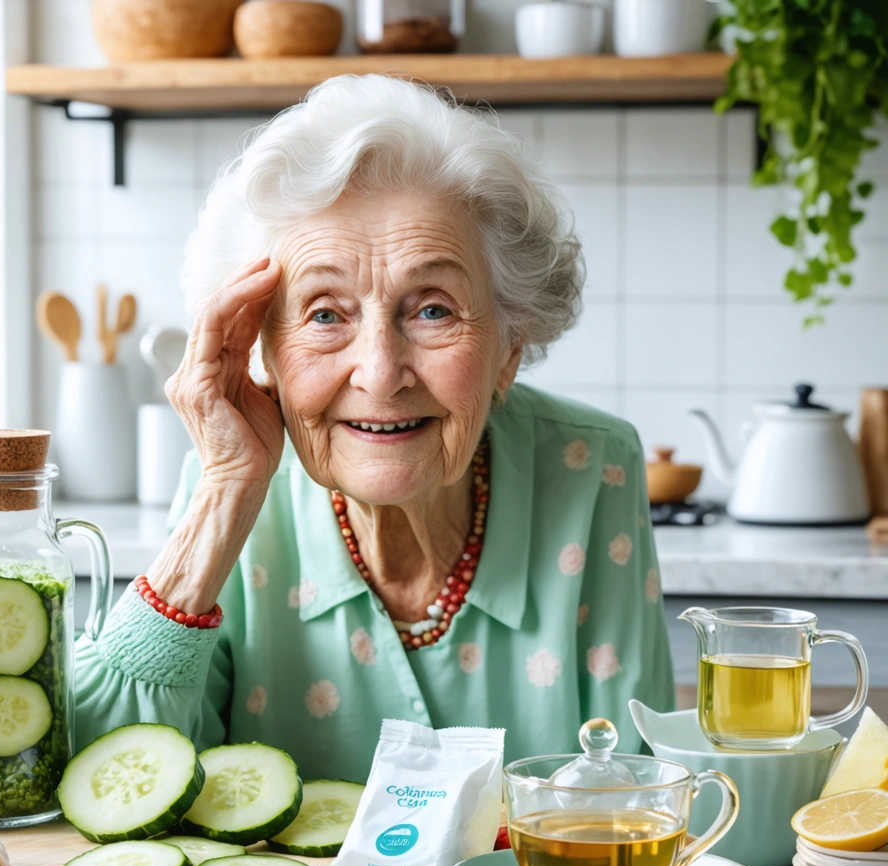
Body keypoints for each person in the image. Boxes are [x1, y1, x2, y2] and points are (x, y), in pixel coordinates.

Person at [73, 74, 674, 780]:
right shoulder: (232, 490)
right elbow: (105, 784)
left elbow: (638, 794)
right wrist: (226, 493)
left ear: (509, 350)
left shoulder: (590, 467)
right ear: (262, 351)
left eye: (433, 310)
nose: (381, 373)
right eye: (325, 314)